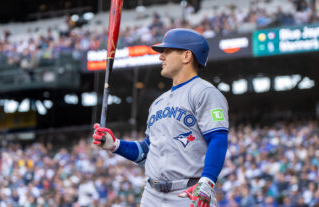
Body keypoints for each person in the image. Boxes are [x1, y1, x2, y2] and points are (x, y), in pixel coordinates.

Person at [93, 28, 229, 207]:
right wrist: (115, 145)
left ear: (187, 56)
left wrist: (208, 180)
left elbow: (218, 138)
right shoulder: (158, 102)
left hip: (188, 193)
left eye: (167, 51)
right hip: (151, 195)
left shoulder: (205, 92)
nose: (160, 57)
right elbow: (148, 150)